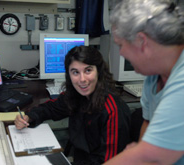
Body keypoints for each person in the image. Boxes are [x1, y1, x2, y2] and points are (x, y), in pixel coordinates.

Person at [15, 46, 131, 164]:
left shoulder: (113, 110)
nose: (82, 79)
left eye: (88, 70)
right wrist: (29, 116)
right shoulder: (77, 95)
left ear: (99, 72)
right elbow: (51, 108)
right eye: (75, 72)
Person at [104, 0, 184, 164]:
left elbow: (152, 158)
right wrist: (141, 147)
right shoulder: (154, 76)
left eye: (120, 45)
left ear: (142, 41)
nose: (122, 53)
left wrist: (141, 154)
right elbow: (148, 120)